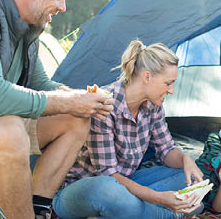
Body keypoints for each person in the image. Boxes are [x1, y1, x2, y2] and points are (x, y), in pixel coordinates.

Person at [0, 0, 115, 218]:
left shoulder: (28, 25)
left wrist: (81, 99)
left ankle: (37, 210)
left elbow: (42, 86)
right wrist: (69, 101)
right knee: (9, 131)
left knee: (73, 118)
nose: (63, 7)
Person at [52, 40, 205, 219]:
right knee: (109, 191)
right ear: (147, 77)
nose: (171, 90)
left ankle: (124, 211)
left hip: (127, 183)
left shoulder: (153, 106)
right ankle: (171, 215)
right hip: (83, 190)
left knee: (188, 178)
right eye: (168, 83)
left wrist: (186, 160)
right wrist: (159, 198)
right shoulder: (105, 105)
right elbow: (109, 174)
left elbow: (166, 150)